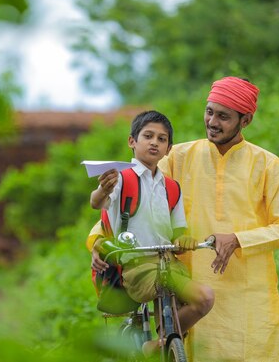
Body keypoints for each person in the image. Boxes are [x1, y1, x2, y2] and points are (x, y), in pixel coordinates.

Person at [89, 77, 279, 361]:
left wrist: (238, 239)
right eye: (209, 111)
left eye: (223, 116)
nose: (212, 121)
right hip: (189, 281)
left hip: (250, 296)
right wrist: (99, 240)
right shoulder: (178, 156)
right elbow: (134, 198)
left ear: (245, 120)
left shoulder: (268, 165)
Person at [88, 110, 214, 355]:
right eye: (148, 136)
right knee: (172, 290)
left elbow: (178, 233)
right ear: (132, 141)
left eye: (162, 138)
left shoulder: (171, 187)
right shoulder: (122, 178)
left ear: (168, 148)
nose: (155, 142)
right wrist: (103, 190)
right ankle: (163, 344)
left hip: (168, 263)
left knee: (205, 298)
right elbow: (96, 202)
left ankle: (158, 346)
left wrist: (184, 240)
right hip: (136, 267)